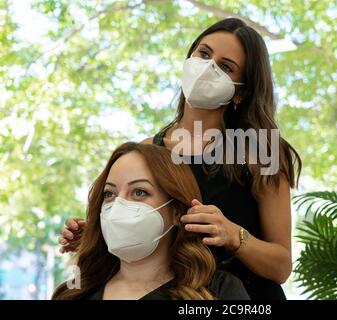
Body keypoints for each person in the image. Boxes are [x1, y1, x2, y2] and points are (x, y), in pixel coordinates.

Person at [59, 18, 301, 300]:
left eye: (225, 66)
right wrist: (105, 232)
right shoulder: (151, 149)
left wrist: (234, 235)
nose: (207, 67)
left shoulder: (260, 151)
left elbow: (281, 266)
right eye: (204, 53)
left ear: (242, 91)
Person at [53, 142, 249, 300]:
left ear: (177, 211)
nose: (119, 206)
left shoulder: (218, 291)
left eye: (139, 192)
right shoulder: (73, 293)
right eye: (109, 194)